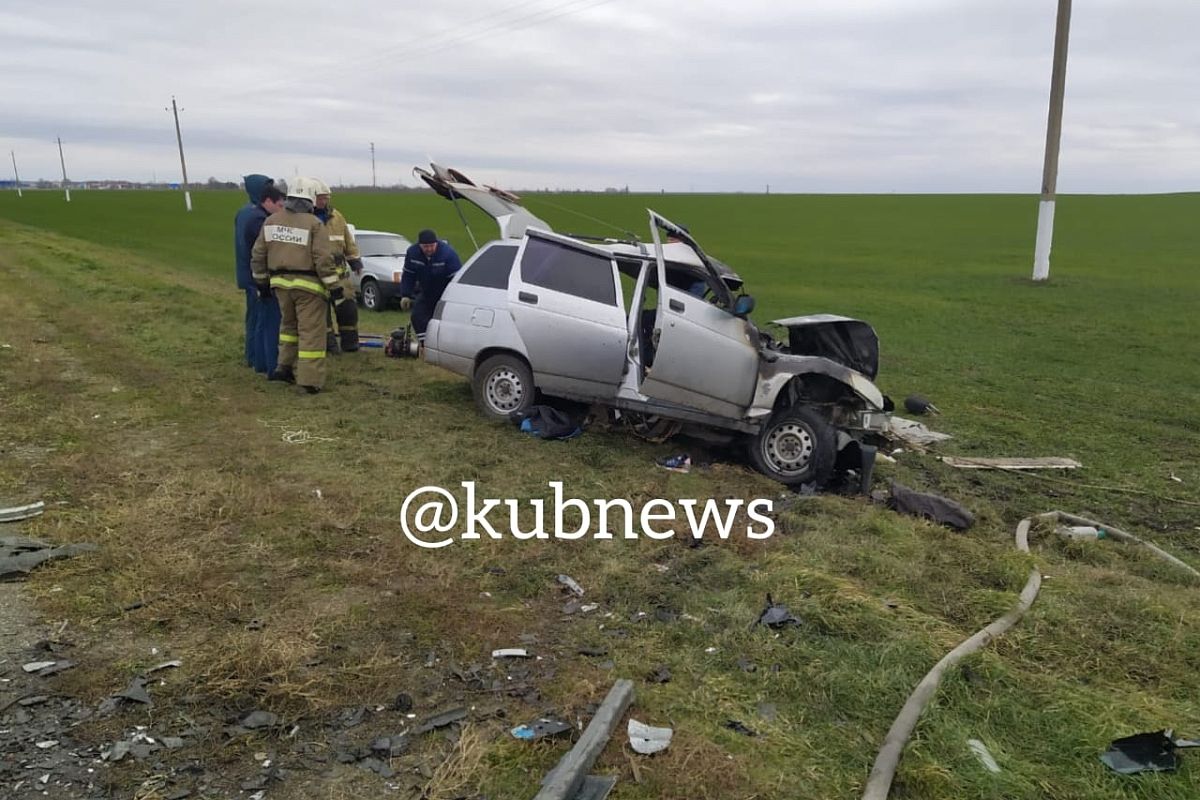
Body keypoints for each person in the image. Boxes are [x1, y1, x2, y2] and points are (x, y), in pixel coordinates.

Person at [250, 177, 338, 394]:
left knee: (288, 327)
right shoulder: (314, 224)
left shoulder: (271, 221)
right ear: (309, 199)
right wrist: (334, 286)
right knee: (311, 333)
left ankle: (283, 367)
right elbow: (322, 258)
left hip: (280, 285)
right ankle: (309, 381)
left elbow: (258, 254)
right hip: (308, 288)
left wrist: (261, 282)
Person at [234, 175, 285, 374]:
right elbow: (262, 251)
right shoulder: (259, 219)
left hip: (248, 275)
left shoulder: (244, 213)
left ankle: (254, 359)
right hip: (256, 278)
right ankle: (260, 361)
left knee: (255, 319)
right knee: (263, 320)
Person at [312, 180, 364, 353]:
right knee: (321, 312)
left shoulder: (337, 216)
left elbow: (348, 240)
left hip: (340, 274)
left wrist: (354, 260)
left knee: (348, 309)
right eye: (321, 198)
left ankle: (350, 344)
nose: (324, 202)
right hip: (316, 274)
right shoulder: (306, 218)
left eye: (326, 198)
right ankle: (329, 346)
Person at [399, 229, 462, 345]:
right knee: (417, 316)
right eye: (425, 246)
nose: (429, 249)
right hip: (426, 292)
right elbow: (408, 275)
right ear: (419, 245)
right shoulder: (412, 253)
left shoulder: (448, 254)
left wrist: (454, 299)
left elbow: (457, 279)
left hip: (445, 293)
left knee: (443, 320)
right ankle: (426, 344)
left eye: (431, 246)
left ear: (436, 243)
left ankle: (445, 344)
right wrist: (405, 295)